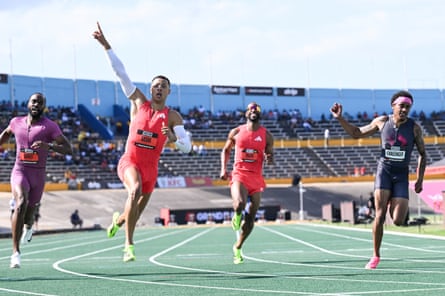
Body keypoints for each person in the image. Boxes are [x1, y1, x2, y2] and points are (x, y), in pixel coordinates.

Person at [92, 22, 191, 262]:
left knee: (133, 212)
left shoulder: (173, 116)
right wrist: (106, 46)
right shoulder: (138, 102)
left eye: (163, 86)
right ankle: (129, 245)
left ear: (169, 92)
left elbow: (187, 147)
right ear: (150, 89)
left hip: (151, 169)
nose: (159, 88)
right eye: (155, 85)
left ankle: (118, 221)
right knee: (133, 191)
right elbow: (121, 73)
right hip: (130, 162)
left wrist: (172, 139)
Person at [330, 90, 426, 269]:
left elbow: (422, 154)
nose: (404, 109)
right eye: (401, 106)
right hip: (385, 172)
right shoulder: (382, 122)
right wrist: (339, 118)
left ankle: (393, 202)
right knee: (379, 215)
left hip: (401, 175)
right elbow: (357, 133)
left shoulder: (414, 127)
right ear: (393, 106)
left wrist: (420, 179)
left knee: (398, 220)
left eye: (408, 107)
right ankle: (375, 255)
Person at [0, 92, 73, 268]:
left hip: (38, 176)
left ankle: (29, 226)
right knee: (20, 204)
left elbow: (68, 149)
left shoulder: (50, 127)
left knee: (29, 214)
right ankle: (15, 253)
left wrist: (49, 146)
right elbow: (5, 134)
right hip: (20, 171)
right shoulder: (16, 122)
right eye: (33, 101)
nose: (36, 105)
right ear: (28, 104)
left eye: (40, 103)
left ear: (43, 107)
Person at [220, 102, 274, 264]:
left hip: (256, 178)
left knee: (251, 219)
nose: (253, 111)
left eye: (256, 110)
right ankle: (236, 215)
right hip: (239, 174)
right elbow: (226, 150)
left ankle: (238, 247)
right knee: (239, 204)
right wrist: (223, 169)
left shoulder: (267, 136)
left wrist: (269, 158)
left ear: (260, 114)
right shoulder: (236, 132)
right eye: (251, 109)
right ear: (246, 114)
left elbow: (270, 157)